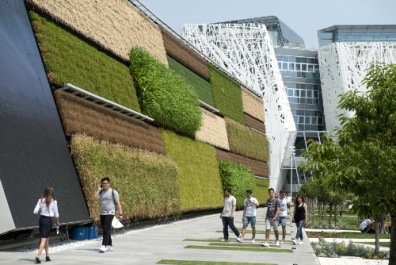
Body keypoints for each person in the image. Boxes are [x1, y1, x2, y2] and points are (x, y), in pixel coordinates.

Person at [92, 177, 123, 253]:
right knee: (106, 229)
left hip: (110, 212)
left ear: (109, 184)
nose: (104, 185)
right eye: (103, 183)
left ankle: (104, 245)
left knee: (106, 228)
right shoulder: (101, 192)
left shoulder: (113, 192)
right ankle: (109, 246)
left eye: (106, 183)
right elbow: (93, 199)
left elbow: (118, 203)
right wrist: (98, 190)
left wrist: (120, 214)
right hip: (102, 213)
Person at [33, 187, 60, 264]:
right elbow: (56, 214)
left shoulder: (40, 200)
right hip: (48, 221)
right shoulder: (54, 202)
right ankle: (38, 256)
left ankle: (47, 256)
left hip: (41, 220)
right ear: (52, 193)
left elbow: (35, 211)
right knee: (44, 239)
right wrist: (57, 222)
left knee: (46, 238)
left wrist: (39, 213)